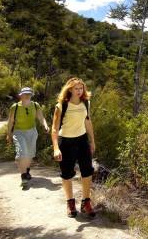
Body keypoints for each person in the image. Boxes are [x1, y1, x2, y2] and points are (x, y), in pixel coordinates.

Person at [51, 78, 96, 218]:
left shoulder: (86, 103)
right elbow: (54, 128)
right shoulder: (61, 106)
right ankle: (70, 203)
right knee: (67, 173)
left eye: (81, 88)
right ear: (69, 89)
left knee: (87, 171)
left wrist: (92, 141)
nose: (79, 91)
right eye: (76, 88)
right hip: (66, 142)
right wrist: (56, 148)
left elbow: (88, 122)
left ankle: (86, 202)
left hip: (82, 140)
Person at [6, 87, 50, 188]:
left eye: (29, 94)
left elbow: (41, 117)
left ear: (31, 95)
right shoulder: (15, 107)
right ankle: (23, 177)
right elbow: (10, 122)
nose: (27, 96)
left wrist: (45, 125)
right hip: (19, 132)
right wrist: (9, 135)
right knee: (22, 152)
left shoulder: (35, 105)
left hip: (32, 132)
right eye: (25, 94)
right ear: (20, 95)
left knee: (30, 153)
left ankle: (27, 170)